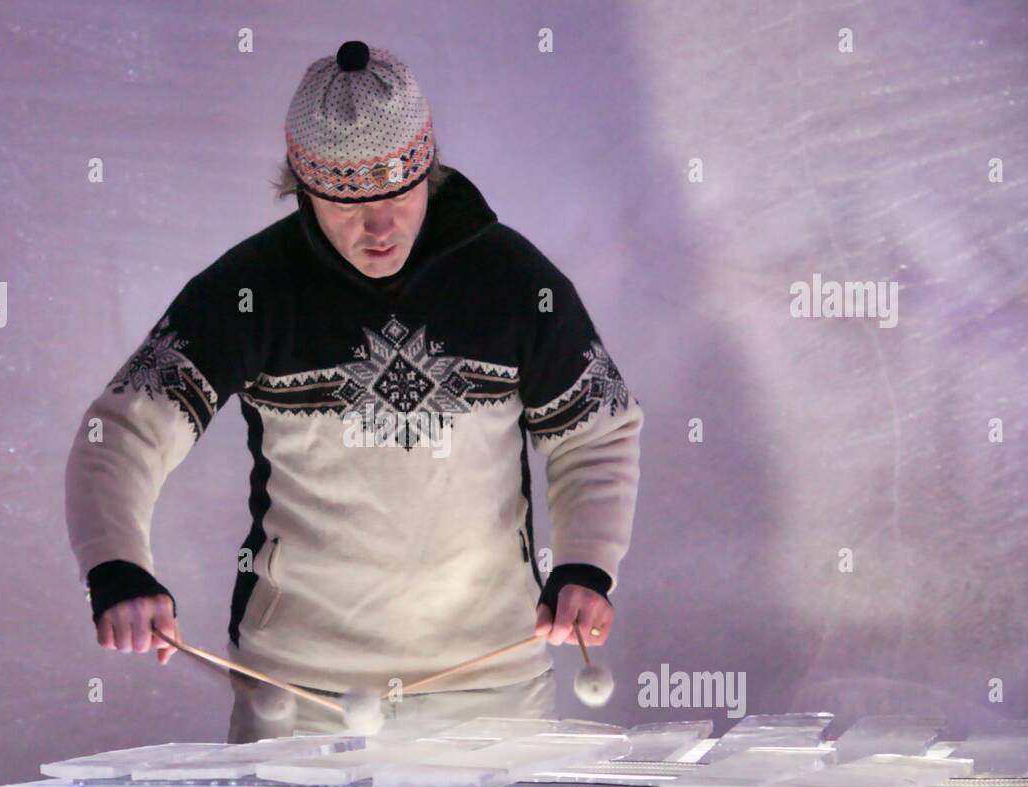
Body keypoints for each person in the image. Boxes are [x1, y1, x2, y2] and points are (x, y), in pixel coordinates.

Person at [64, 41, 644, 742]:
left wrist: (586, 564)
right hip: (299, 695)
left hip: (492, 691)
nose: (378, 226)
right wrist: (118, 566)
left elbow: (596, 432)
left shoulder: (516, 283)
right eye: (347, 199)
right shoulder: (251, 291)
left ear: (427, 166)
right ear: (303, 186)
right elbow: (122, 432)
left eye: (398, 190)